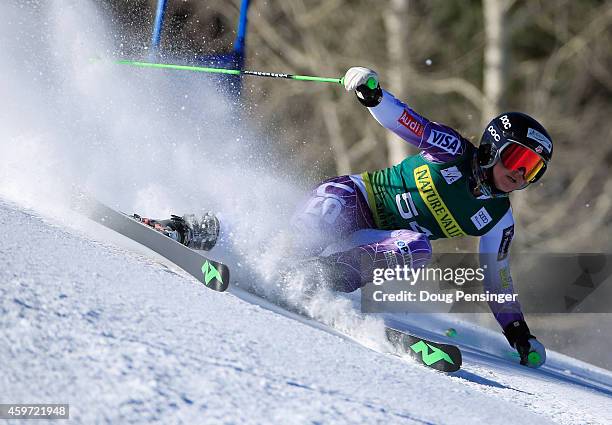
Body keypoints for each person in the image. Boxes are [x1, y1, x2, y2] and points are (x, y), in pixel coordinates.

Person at [290, 67, 553, 368]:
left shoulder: (498, 218)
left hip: (372, 240)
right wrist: (375, 96)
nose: (520, 175)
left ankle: (315, 278)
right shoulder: (453, 151)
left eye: (532, 169)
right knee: (321, 218)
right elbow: (409, 123)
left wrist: (519, 333)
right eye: (518, 160)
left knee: (417, 248)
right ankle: (264, 251)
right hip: (352, 199)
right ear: (494, 147)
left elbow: (498, 280)